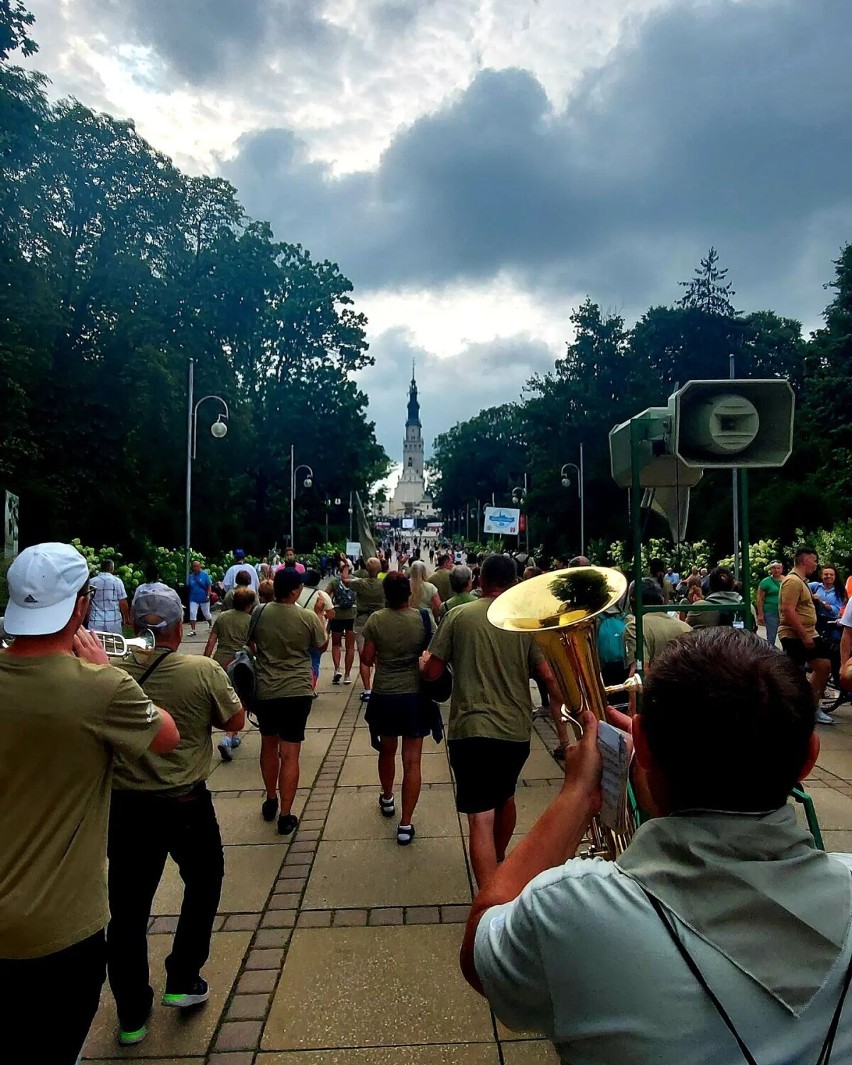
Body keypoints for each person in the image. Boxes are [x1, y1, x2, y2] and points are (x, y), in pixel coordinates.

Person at [461, 628, 852, 1064]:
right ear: (809, 757)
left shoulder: (572, 908)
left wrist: (576, 797)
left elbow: (480, 942)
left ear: (642, 745)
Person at [0, 543, 179, 1065]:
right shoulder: (99, 688)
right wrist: (105, 668)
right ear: (81, 607)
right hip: (58, 927)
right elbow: (166, 737)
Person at [107, 587, 244, 1047]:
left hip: (126, 807)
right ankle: (183, 978)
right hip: (186, 802)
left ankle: (130, 1014)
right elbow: (235, 723)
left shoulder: (107, 672)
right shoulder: (200, 671)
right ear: (178, 625)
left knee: (127, 909)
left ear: (133, 623)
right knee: (204, 884)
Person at [422, 554, 568, 887]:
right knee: (506, 796)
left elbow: (432, 672)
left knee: (480, 817)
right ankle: (500, 862)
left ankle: (488, 895)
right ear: (514, 582)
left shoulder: (458, 615)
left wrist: (424, 665)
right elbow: (548, 676)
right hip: (515, 730)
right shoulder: (523, 622)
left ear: (480, 580)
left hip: (470, 728)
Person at [360, 572, 439, 845]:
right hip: (415, 695)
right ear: (409, 594)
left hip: (385, 694)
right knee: (412, 760)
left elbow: (367, 659)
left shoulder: (376, 620)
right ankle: (406, 823)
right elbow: (434, 655)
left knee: (387, 749)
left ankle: (387, 796)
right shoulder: (424, 619)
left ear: (386, 594)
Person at [251, 568, 328, 834]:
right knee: (291, 753)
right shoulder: (306, 617)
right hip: (297, 690)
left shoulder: (259, 613)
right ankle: (286, 814)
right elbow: (322, 645)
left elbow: (251, 644)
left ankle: (270, 797)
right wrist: (318, 616)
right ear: (295, 591)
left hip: (267, 689)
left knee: (268, 745)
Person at [780, 546, 834, 724]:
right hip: (796, 635)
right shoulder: (792, 581)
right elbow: (788, 610)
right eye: (814, 561)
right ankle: (800, 708)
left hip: (810, 632)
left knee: (824, 665)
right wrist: (804, 635)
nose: (816, 565)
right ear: (805, 561)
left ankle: (810, 705)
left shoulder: (801, 581)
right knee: (797, 673)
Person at [204, 586, 257, 760]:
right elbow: (253, 646)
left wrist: (206, 660)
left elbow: (211, 641)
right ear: (249, 605)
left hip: (220, 661)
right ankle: (228, 737)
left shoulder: (222, 617)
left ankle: (232, 736)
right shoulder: (250, 621)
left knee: (221, 698)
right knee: (240, 699)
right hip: (240, 664)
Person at [297, 569, 335, 689]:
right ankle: (311, 686)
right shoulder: (322, 595)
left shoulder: (298, 592)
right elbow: (332, 614)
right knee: (315, 659)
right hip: (316, 631)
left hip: (299, 630)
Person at [327, 559, 357, 684]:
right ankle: (347, 675)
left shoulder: (334, 581)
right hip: (352, 614)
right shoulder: (355, 581)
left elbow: (326, 595)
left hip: (337, 615)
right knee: (350, 647)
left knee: (336, 644)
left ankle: (337, 669)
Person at [87, 557, 130, 634]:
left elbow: (88, 602)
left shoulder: (92, 581)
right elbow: (123, 602)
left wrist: (86, 618)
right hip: (113, 621)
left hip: (95, 621)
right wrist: (126, 618)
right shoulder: (117, 581)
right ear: (111, 569)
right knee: (114, 644)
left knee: (96, 644)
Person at [757, 560, 784, 647]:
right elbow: (760, 598)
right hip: (771, 611)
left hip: (784, 611)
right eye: (774, 568)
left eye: (778, 568)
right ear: (771, 570)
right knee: (771, 635)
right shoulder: (765, 582)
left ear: (781, 569)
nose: (776, 570)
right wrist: (760, 614)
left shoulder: (786, 580)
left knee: (785, 634)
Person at [186, 559, 213, 637]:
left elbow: (209, 586)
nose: (195, 568)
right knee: (192, 612)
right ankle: (193, 630)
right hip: (193, 598)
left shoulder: (204, 575)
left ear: (200, 566)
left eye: (197, 566)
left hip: (204, 597)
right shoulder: (191, 577)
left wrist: (208, 595)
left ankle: (210, 625)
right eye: (194, 566)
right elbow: (189, 587)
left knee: (206, 613)